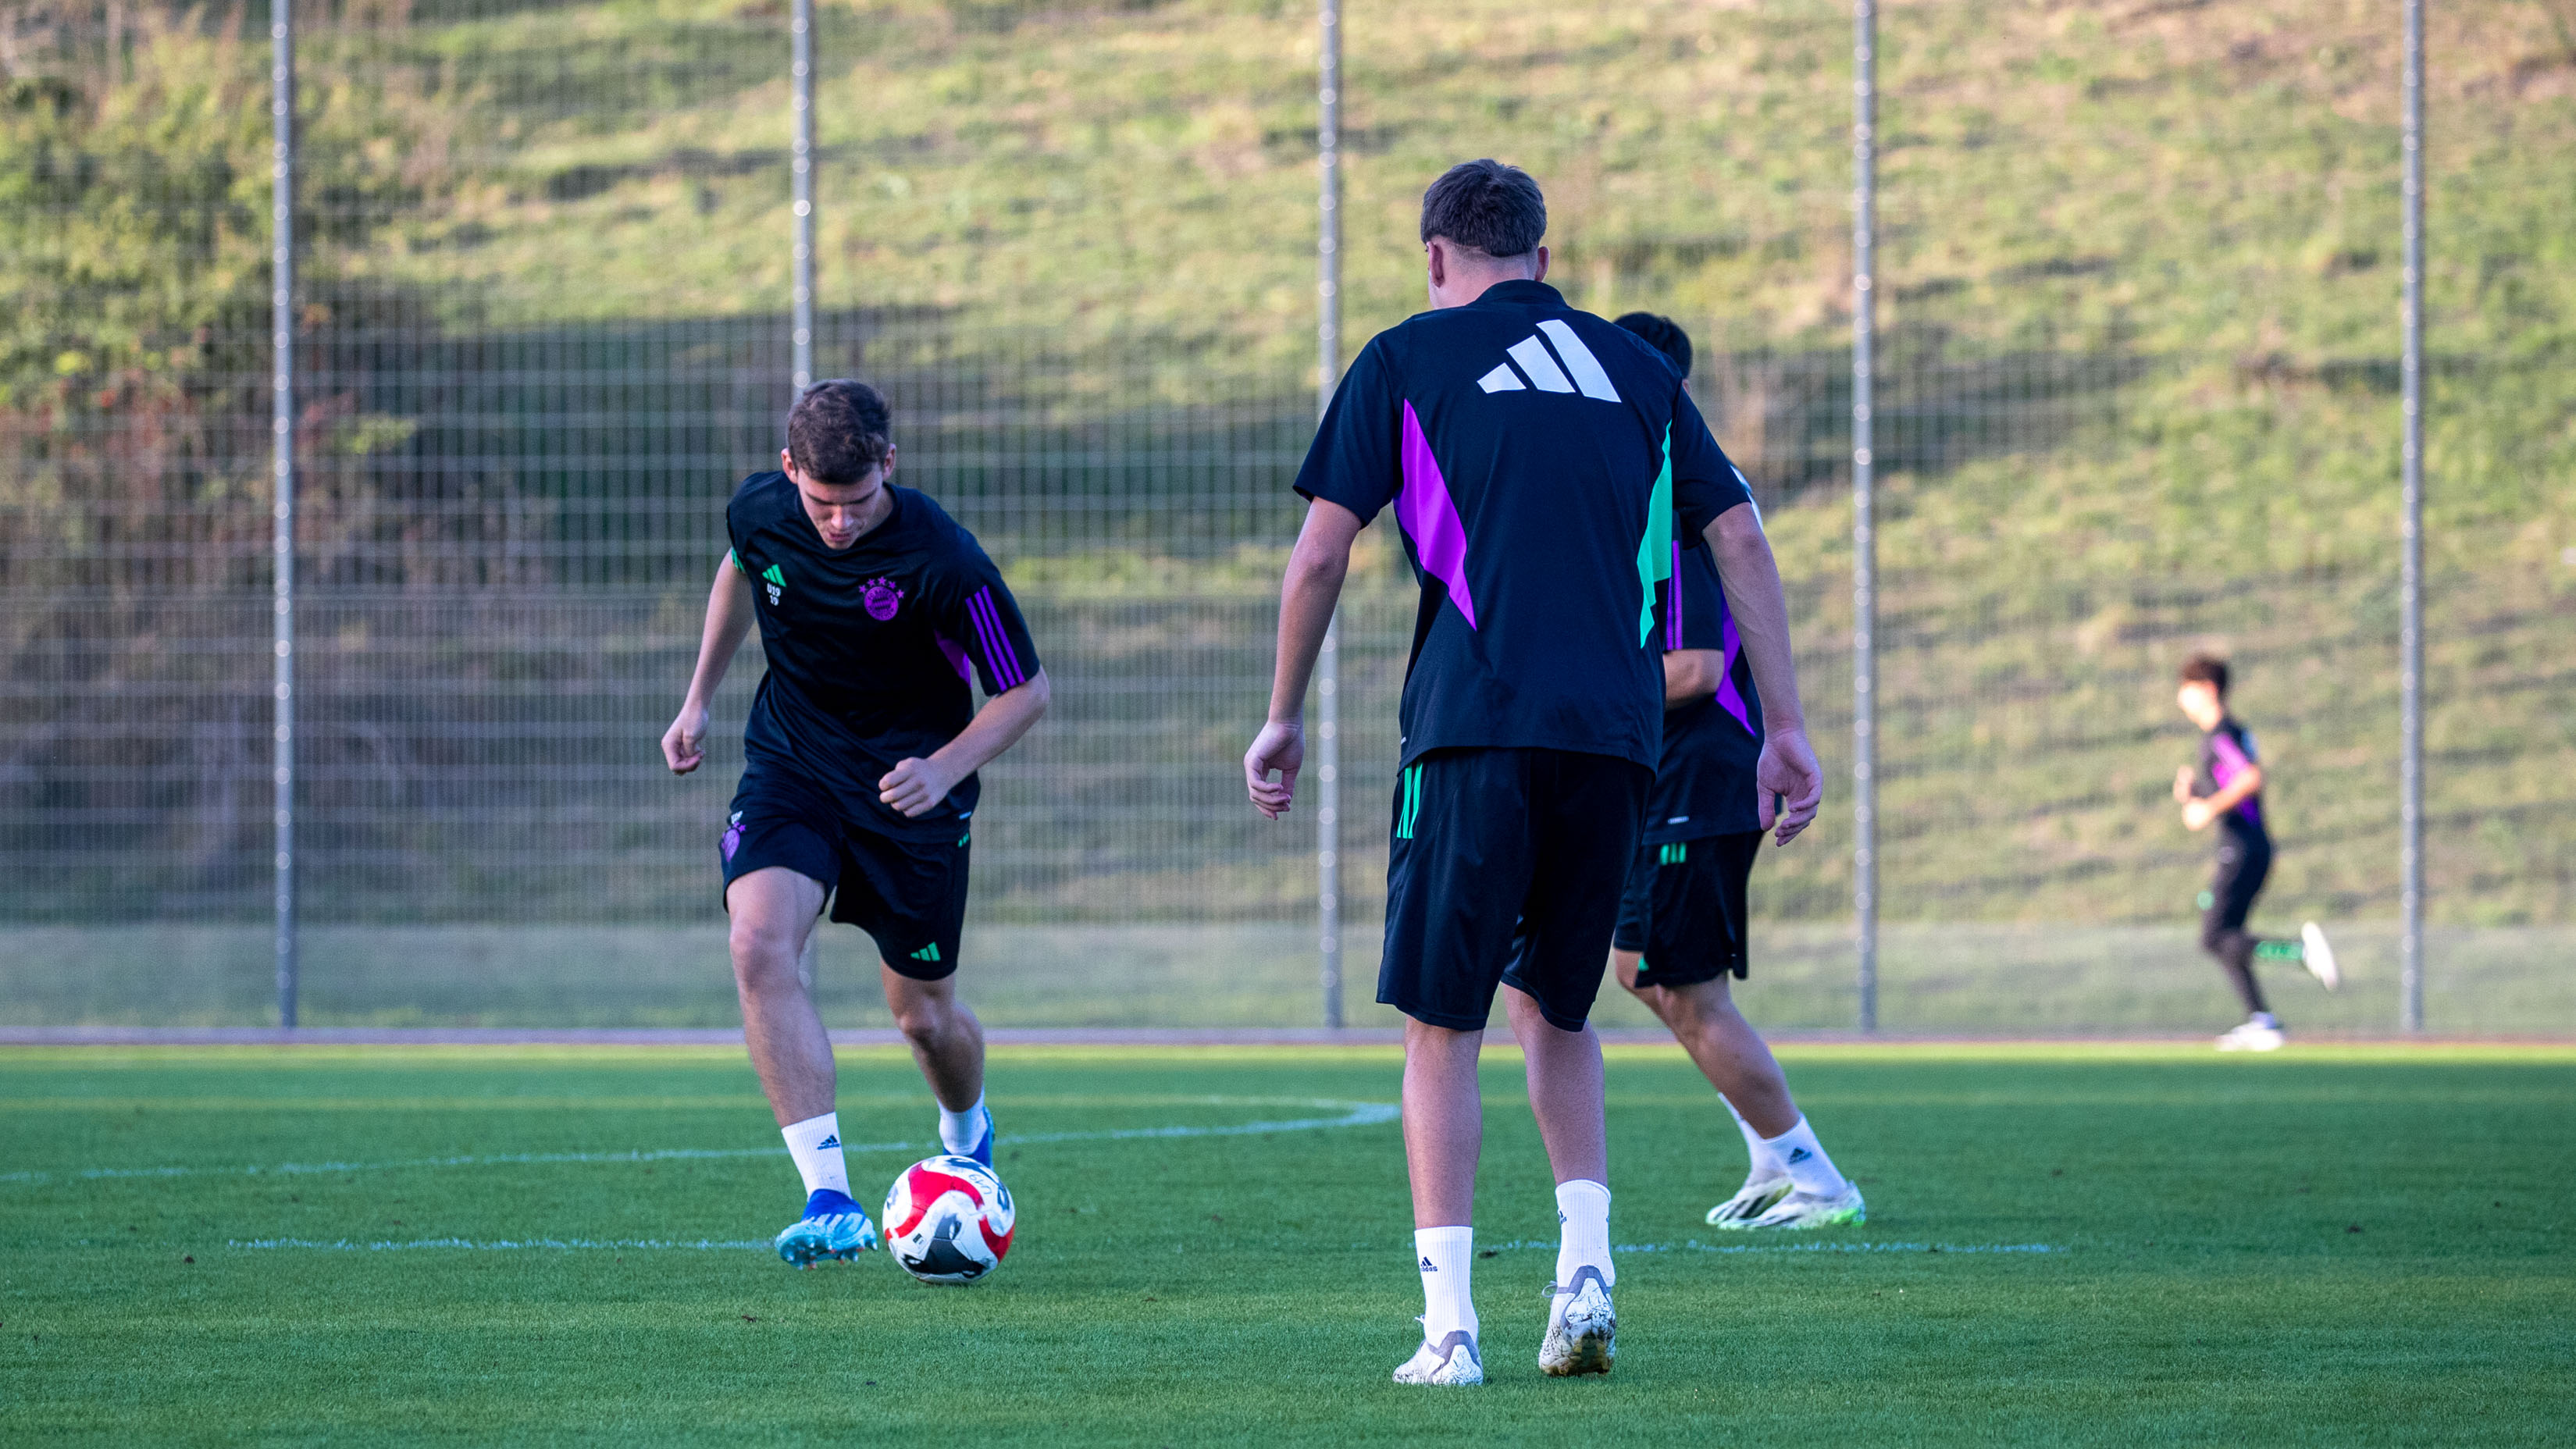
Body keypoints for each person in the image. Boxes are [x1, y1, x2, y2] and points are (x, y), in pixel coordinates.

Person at [1244, 162, 1822, 1387]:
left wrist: (1282, 713)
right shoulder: (1640, 373)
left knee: (1439, 1026)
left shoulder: (1406, 358)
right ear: (1543, 261)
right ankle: (1585, 1269)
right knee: (1556, 1010)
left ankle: (1449, 1328)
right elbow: (1740, 540)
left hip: (1471, 728)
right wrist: (1783, 727)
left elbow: (1317, 555)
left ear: (1435, 258)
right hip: (1617, 738)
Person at [663, 379, 1049, 1265]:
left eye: (857, 502)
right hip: (792, 766)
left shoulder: (943, 557)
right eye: (820, 503)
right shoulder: (761, 511)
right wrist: (698, 701)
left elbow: (1026, 689)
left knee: (921, 1016)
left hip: (910, 791)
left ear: (889, 464)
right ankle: (829, 1196)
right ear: (789, 469)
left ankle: (966, 1128)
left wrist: (942, 766)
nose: (837, 523)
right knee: (757, 941)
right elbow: (737, 568)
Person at [1606, 312, 1858, 1231]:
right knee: (1637, 968)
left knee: (1685, 986)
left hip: (1701, 770)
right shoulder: (1654, 484)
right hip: (1669, 774)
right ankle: (1767, 1154)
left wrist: (1588, 679)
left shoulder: (1675, 497)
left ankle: (1819, 1180)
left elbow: (1697, 668)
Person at [2172, 653, 2336, 1052]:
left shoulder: (2220, 734)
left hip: (2241, 849)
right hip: (2249, 846)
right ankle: (2262, 1021)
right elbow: (2234, 782)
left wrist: (2206, 808)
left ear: (2208, 690)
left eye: (2186, 689)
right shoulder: (2227, 733)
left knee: (2213, 937)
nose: (2181, 698)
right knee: (2228, 939)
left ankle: (2299, 953)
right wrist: (2195, 795)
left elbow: (2250, 777)